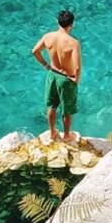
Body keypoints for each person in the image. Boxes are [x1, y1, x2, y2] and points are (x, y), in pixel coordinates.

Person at [32, 10, 81, 142]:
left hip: (52, 75)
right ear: (72, 24)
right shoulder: (73, 43)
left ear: (57, 22)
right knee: (67, 109)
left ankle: (52, 132)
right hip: (67, 79)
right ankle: (67, 135)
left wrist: (46, 65)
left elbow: (35, 51)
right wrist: (76, 80)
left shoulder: (48, 37)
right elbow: (77, 67)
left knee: (52, 106)